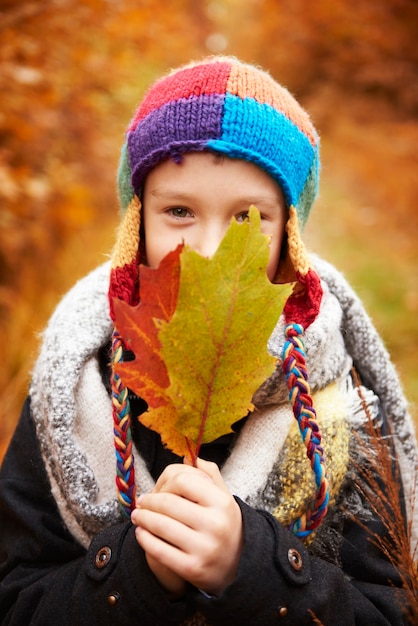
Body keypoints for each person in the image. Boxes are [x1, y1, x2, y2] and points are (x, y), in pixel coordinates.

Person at [0, 56, 416, 626]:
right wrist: (135, 575)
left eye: (248, 217)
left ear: (289, 237)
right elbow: (16, 598)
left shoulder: (340, 408)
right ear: (136, 223)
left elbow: (392, 609)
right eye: (178, 211)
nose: (208, 249)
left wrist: (256, 567)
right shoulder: (74, 387)